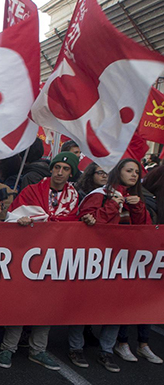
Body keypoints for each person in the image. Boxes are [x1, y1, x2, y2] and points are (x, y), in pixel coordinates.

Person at [0, 152, 94, 371]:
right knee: (21, 303)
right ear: (51, 168)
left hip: (55, 259)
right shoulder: (32, 191)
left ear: (72, 173)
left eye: (65, 169)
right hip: (28, 256)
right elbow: (12, 214)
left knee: (47, 305)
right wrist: (19, 220)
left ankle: (38, 350)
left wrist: (86, 220)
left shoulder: (74, 198)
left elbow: (73, 223)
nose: (60, 172)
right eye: (57, 167)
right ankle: (8, 347)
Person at [79, 158, 160, 370]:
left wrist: (138, 208)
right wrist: (114, 204)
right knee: (83, 305)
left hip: (123, 263)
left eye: (136, 171)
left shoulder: (138, 198)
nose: (134, 175)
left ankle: (107, 350)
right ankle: (76, 347)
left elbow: (145, 231)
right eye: (129, 170)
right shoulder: (100, 195)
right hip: (96, 261)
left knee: (117, 306)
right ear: (118, 172)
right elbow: (90, 223)